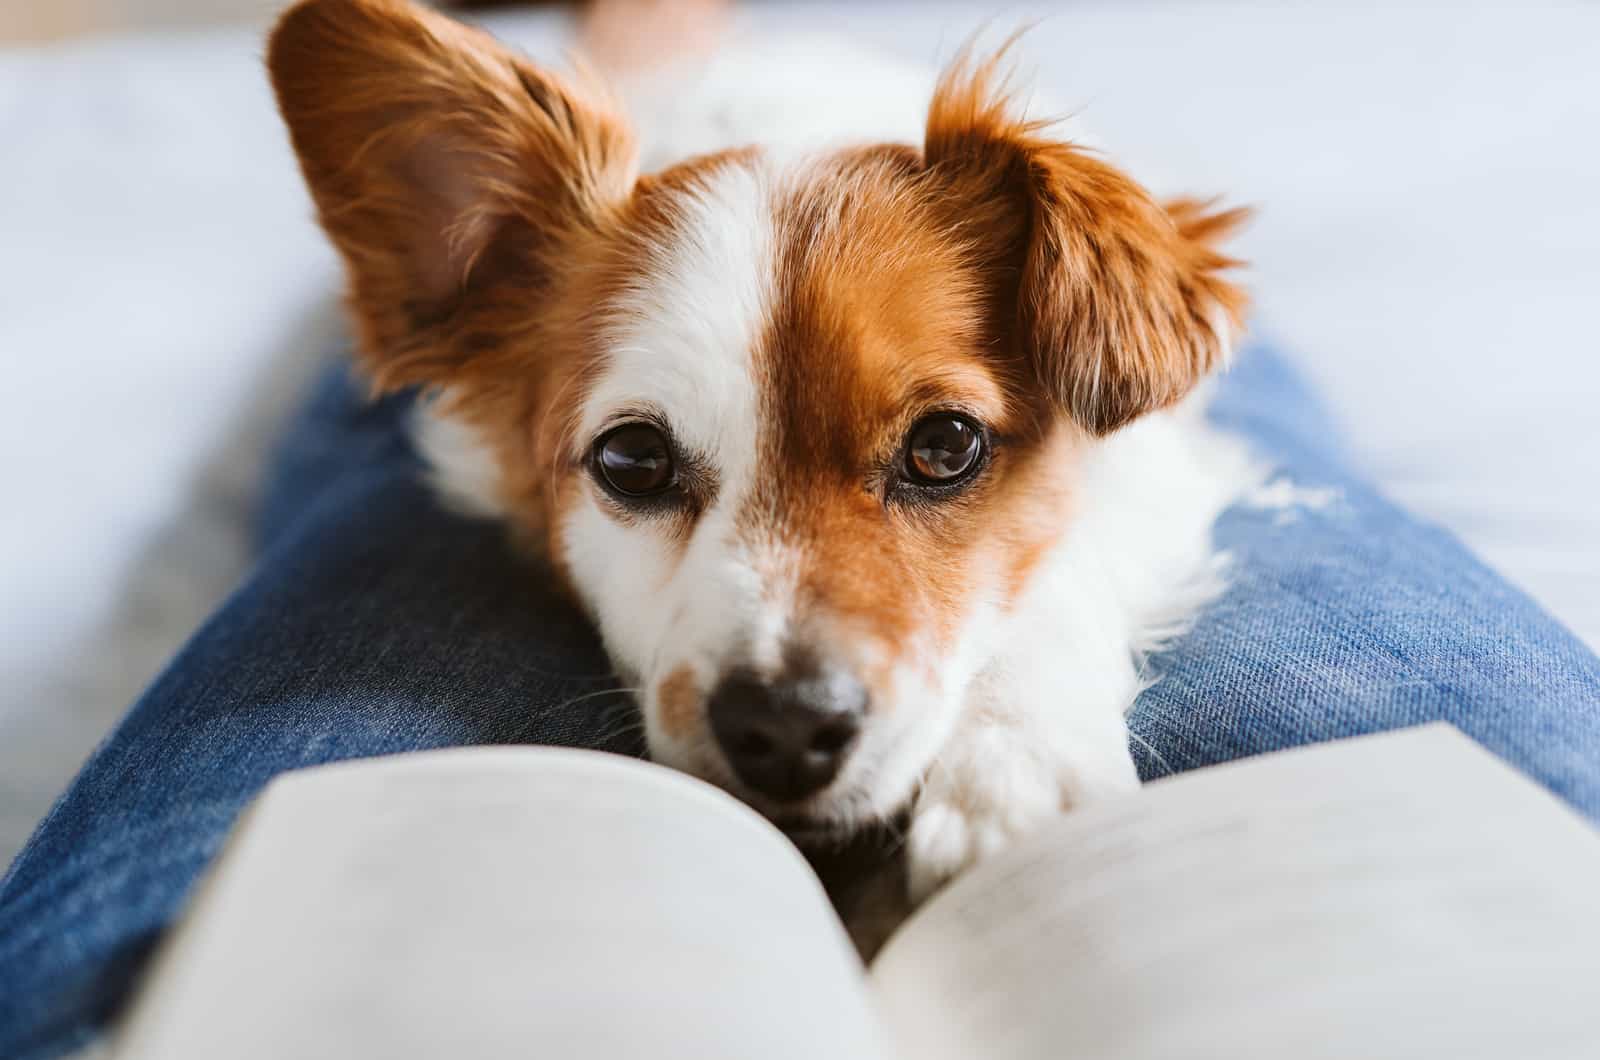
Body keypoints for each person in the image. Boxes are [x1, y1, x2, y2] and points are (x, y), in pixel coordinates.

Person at [3, 340, 1598, 1060]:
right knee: (414, 466)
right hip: (562, 261)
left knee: (1206, 428)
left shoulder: (1018, 219)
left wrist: (1035, 665)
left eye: (939, 450)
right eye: (646, 462)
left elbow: (1141, 379)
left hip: (1002, 256)